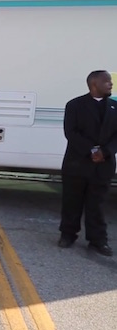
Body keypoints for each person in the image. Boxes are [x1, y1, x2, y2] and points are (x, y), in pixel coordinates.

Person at [58, 70, 117, 256]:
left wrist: (105, 152)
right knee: (71, 202)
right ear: (94, 85)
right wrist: (91, 150)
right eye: (106, 81)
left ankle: (98, 241)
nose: (111, 84)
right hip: (77, 164)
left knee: (97, 205)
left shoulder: (115, 107)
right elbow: (71, 132)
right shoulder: (75, 105)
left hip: (103, 166)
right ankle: (68, 235)